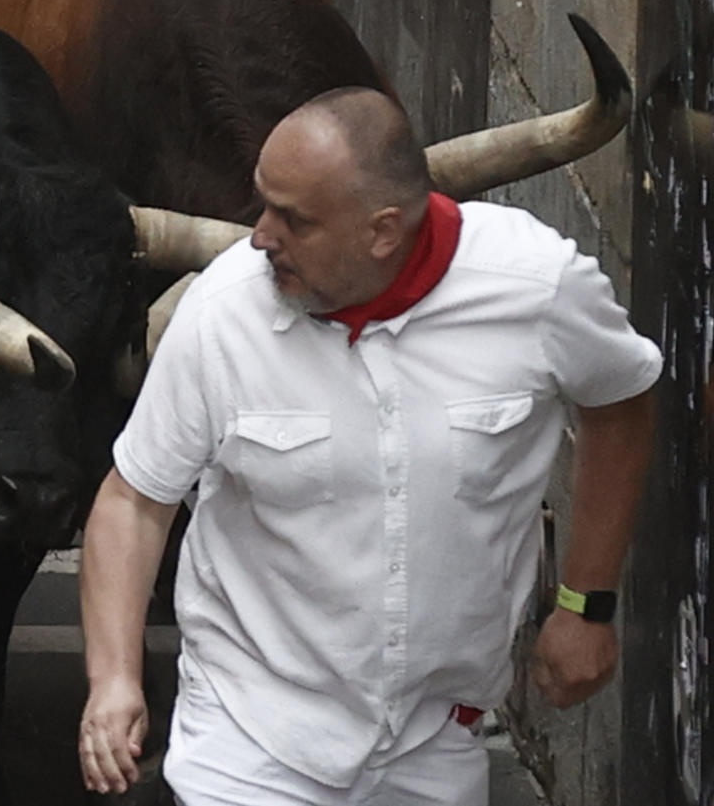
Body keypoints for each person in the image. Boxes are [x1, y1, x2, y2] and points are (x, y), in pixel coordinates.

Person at [78, 87, 661, 804]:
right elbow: (135, 498)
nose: (260, 235)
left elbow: (622, 398)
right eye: (263, 203)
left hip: (435, 739)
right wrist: (113, 678)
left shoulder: (539, 287)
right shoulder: (221, 313)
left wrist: (586, 601)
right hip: (248, 733)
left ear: (383, 231)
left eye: (292, 218)